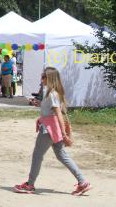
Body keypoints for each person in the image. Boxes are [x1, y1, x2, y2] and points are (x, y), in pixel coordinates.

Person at [13, 67, 91, 196]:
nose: (41, 79)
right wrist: (39, 104)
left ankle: (30, 184)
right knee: (62, 156)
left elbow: (58, 114)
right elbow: (50, 110)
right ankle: (83, 182)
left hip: (48, 129)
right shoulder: (51, 93)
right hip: (53, 129)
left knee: (37, 156)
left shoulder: (52, 93)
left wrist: (64, 134)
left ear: (50, 79)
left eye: (43, 77)